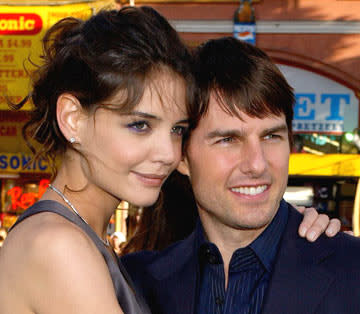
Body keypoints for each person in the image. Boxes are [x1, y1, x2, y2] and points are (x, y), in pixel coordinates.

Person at [122, 37, 360, 314]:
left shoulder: (352, 270)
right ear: (183, 158)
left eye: (271, 136)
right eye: (228, 140)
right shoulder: (138, 283)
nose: (257, 164)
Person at [0, 6, 194, 314]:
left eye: (177, 130)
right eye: (140, 125)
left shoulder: (79, 238)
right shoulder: (57, 245)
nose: (169, 153)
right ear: (72, 119)